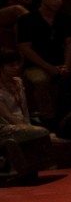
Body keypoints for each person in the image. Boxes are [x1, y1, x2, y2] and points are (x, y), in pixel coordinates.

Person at [15, 0, 71, 118]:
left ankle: (70, 116)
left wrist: (66, 65)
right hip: (35, 65)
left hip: (60, 64)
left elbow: (69, 44)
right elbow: (25, 48)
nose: (59, 1)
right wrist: (48, 67)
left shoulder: (64, 19)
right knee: (41, 80)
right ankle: (47, 117)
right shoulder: (27, 20)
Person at [0, 49, 56, 181]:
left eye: (17, 63)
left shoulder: (18, 82)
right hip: (4, 127)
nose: (16, 67)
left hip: (22, 123)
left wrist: (28, 125)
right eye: (11, 65)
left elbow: (24, 109)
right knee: (39, 132)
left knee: (38, 131)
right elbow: (8, 115)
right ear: (1, 67)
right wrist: (26, 128)